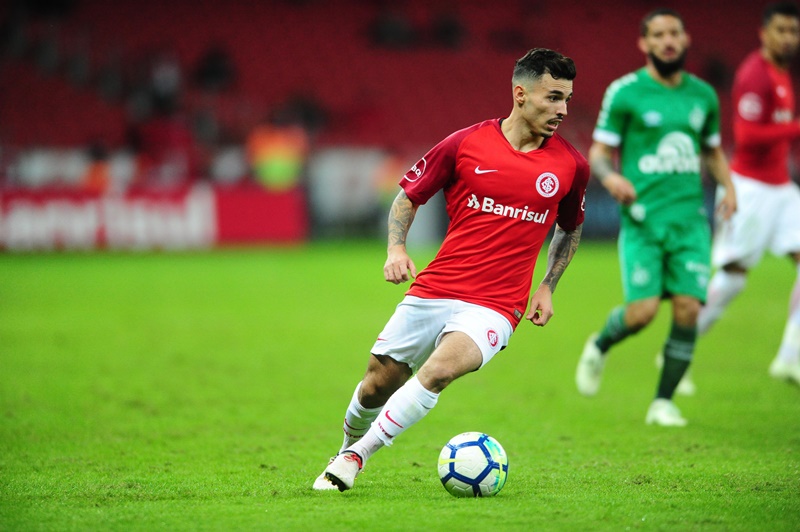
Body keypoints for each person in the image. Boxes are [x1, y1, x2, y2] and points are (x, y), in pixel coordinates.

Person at [312, 48, 589, 492]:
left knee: (439, 372)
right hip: (437, 287)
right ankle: (347, 439)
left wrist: (548, 286)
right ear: (521, 93)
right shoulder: (465, 143)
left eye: (567, 100)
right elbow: (408, 195)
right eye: (553, 97)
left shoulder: (571, 165)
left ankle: (354, 457)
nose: (563, 110)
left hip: (498, 304)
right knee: (375, 386)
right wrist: (396, 249)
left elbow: (571, 228)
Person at [574, 8, 737, 427]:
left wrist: (729, 187)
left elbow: (713, 151)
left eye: (675, 34)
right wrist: (610, 178)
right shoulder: (625, 92)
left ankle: (662, 402)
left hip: (690, 221)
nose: (668, 41)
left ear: (685, 41)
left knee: (687, 309)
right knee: (643, 312)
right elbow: (598, 152)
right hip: (644, 220)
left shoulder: (702, 95)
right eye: (659, 35)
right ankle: (601, 342)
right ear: (644, 44)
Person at [696, 2, 800, 387]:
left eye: (794, 31)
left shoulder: (782, 72)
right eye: (782, 31)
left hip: (782, 188)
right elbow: (746, 136)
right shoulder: (756, 74)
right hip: (751, 187)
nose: (788, 38)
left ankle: (790, 357)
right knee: (733, 279)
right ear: (764, 33)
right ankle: (679, 350)